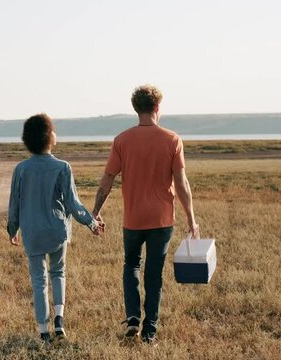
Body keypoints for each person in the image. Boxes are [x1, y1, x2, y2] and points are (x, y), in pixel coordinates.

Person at [92, 85, 199, 344]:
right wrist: (192, 220)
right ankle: (150, 331)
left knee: (131, 265)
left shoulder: (122, 140)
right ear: (157, 108)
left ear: (136, 108)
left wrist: (95, 212)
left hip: (133, 219)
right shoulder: (172, 139)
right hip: (162, 220)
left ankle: (132, 319)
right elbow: (182, 184)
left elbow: (107, 180)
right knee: (154, 274)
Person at [7, 113, 104, 343]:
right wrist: (91, 223)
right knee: (58, 272)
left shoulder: (21, 169)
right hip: (57, 230)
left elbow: (14, 204)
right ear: (49, 136)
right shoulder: (62, 167)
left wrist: (13, 229)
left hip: (32, 232)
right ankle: (59, 319)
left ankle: (43, 330)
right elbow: (73, 203)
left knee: (39, 280)